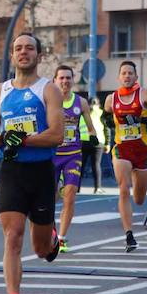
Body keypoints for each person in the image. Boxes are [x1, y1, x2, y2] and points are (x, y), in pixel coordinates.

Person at [0, 33, 64, 294]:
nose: (23, 52)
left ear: (38, 55)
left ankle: (51, 238)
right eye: (18, 49)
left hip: (41, 173)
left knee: (40, 249)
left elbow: (56, 135)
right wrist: (4, 138)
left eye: (29, 48)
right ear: (12, 56)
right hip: (12, 172)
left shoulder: (49, 90)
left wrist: (24, 139)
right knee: (12, 236)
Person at [105, 60, 147, 252]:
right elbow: (105, 118)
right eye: (124, 73)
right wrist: (113, 124)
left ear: (136, 77)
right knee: (123, 189)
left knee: (138, 198)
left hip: (142, 150)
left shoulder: (144, 94)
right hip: (122, 148)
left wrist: (141, 119)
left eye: (130, 73)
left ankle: (136, 181)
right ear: (119, 77)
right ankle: (129, 235)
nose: (127, 76)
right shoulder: (111, 99)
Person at [52, 65, 97, 253]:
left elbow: (91, 127)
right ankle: (52, 232)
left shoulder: (81, 103)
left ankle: (61, 239)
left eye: (68, 78)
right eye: (61, 78)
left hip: (73, 155)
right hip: (52, 155)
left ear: (73, 80)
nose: (65, 81)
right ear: (55, 80)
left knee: (70, 195)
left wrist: (93, 137)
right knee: (50, 198)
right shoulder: (49, 102)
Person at [81, 98, 105, 194]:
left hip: (84, 140)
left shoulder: (83, 113)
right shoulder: (100, 112)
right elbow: (106, 127)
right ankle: (97, 187)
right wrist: (107, 143)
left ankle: (77, 187)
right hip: (98, 141)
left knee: (81, 165)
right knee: (96, 165)